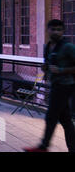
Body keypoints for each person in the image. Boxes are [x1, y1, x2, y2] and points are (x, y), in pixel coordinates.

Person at [24, 19, 75, 152]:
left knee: (51, 116)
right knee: (66, 120)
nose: (56, 32)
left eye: (59, 29)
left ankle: (43, 146)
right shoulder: (48, 46)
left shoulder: (68, 47)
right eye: (53, 29)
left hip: (65, 85)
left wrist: (62, 70)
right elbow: (48, 65)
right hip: (55, 84)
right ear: (48, 30)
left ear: (63, 31)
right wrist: (45, 68)